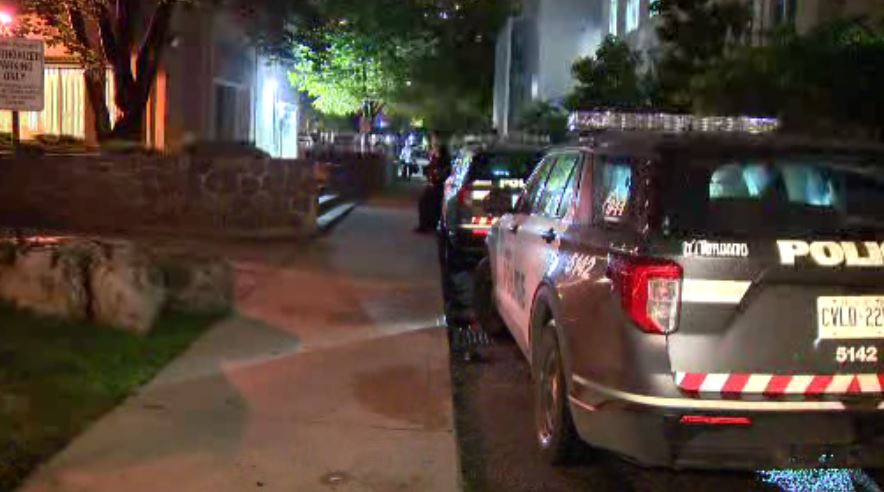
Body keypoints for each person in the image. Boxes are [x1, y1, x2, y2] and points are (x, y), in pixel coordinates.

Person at [415, 133, 451, 233]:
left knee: (427, 202)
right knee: (427, 203)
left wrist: (435, 176)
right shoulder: (438, 155)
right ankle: (428, 224)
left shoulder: (442, 156)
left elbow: (441, 170)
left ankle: (427, 225)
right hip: (436, 183)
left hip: (438, 184)